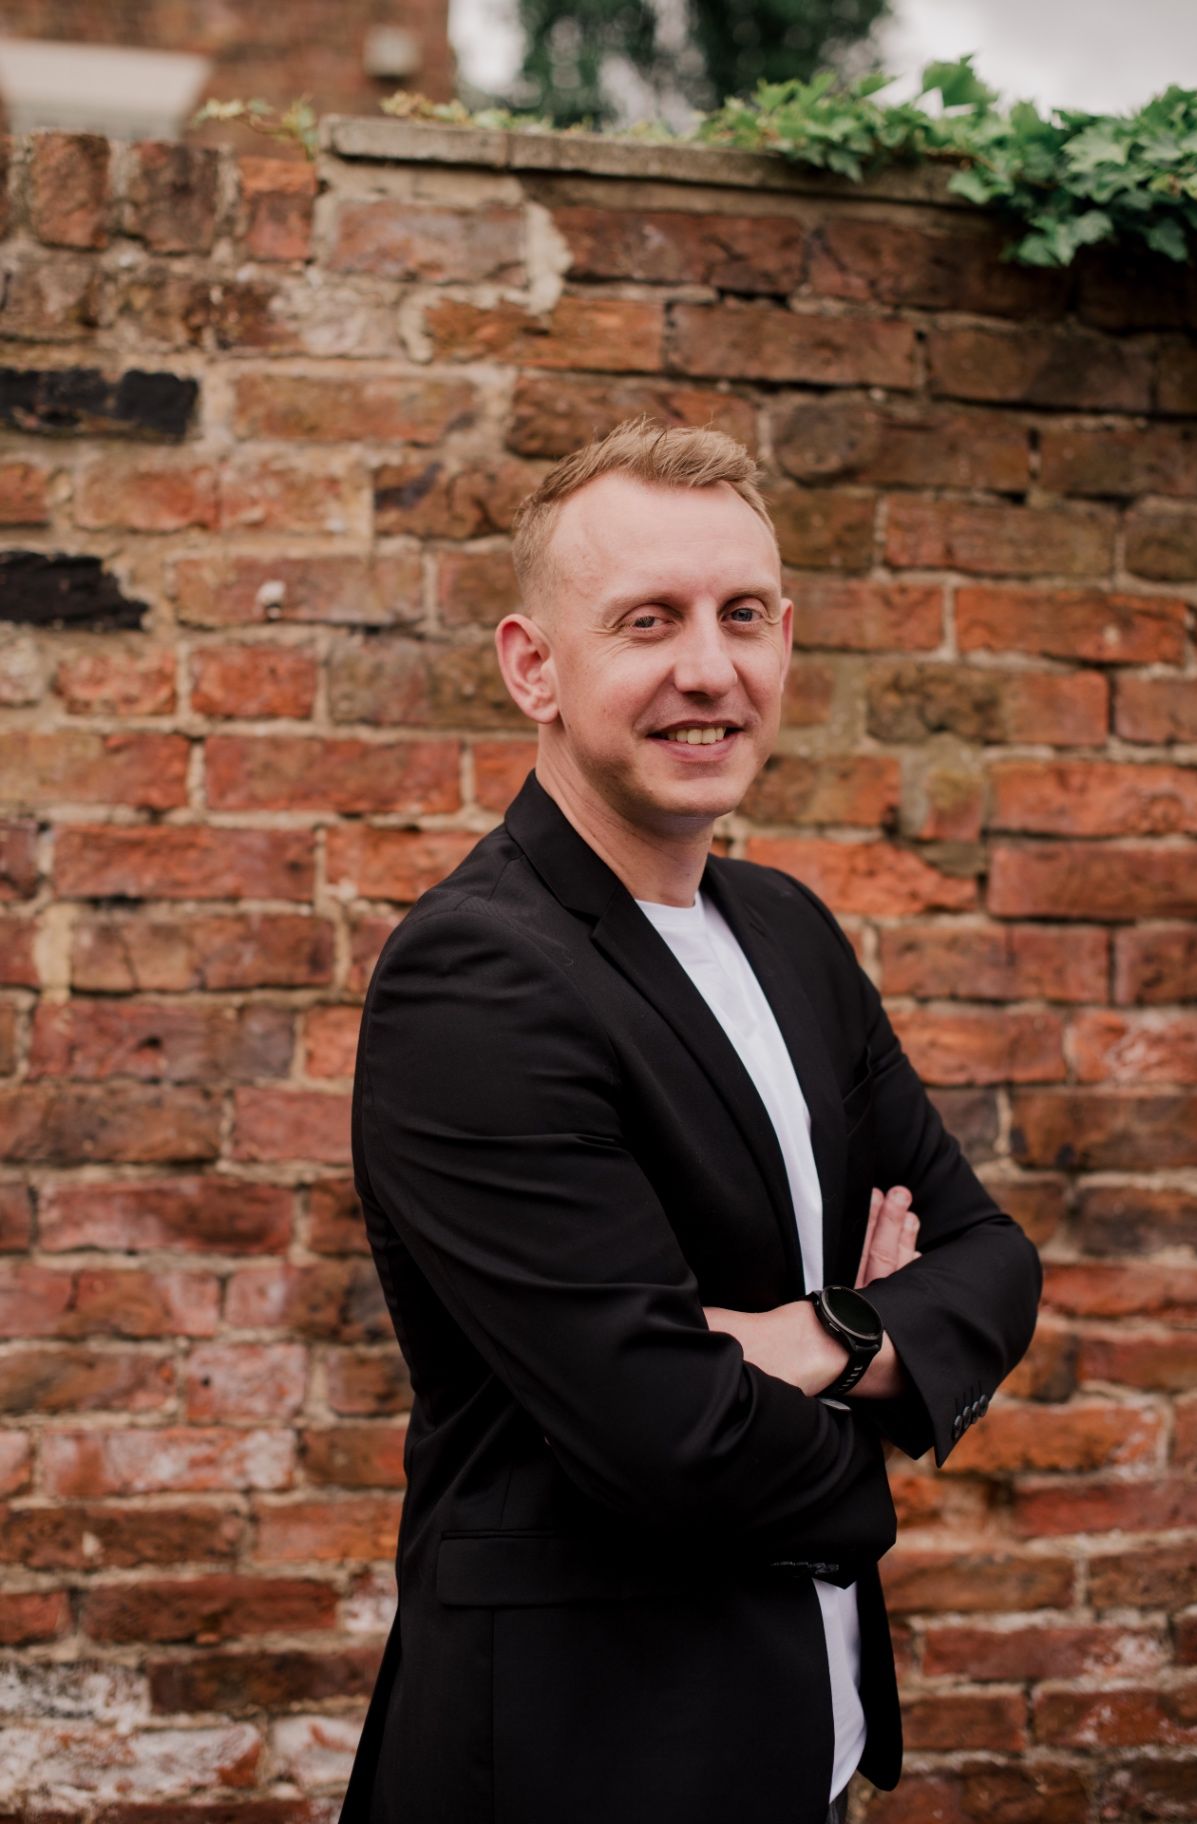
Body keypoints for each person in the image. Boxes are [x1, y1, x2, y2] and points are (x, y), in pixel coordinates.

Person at [337, 419, 1041, 1824]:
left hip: (805, 1747)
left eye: (743, 616)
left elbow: (991, 1257)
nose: (709, 670)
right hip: (587, 1763)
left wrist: (818, 1337)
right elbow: (670, 1439)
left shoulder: (787, 930)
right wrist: (880, 1405)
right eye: (648, 620)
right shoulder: (477, 975)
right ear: (534, 667)